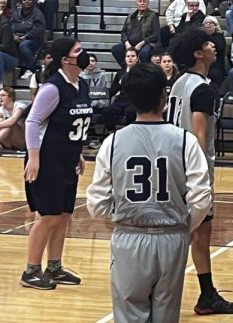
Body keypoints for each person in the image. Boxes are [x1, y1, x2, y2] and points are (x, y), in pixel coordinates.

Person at [86, 62, 213, 323]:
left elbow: (96, 204)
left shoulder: (112, 142)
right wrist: (185, 226)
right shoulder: (186, 140)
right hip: (172, 237)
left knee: (129, 314)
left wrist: (119, 218)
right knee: (166, 315)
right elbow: (202, 198)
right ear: (163, 97)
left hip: (129, 236)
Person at [167, 29, 233, 315]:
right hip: (192, 169)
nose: (213, 46)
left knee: (198, 231)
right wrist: (200, 179)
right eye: (208, 44)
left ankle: (206, 293)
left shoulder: (178, 83)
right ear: (198, 53)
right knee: (190, 232)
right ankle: (165, 287)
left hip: (173, 163)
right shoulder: (203, 89)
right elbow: (198, 136)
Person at [20, 37, 92, 290]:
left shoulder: (81, 85)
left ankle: (54, 266)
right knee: (48, 216)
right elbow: (32, 122)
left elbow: (72, 125)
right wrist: (34, 157)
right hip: (47, 159)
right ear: (65, 59)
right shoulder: (52, 88)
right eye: (78, 51)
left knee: (63, 215)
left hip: (68, 157)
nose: (84, 54)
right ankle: (31, 271)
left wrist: (79, 152)